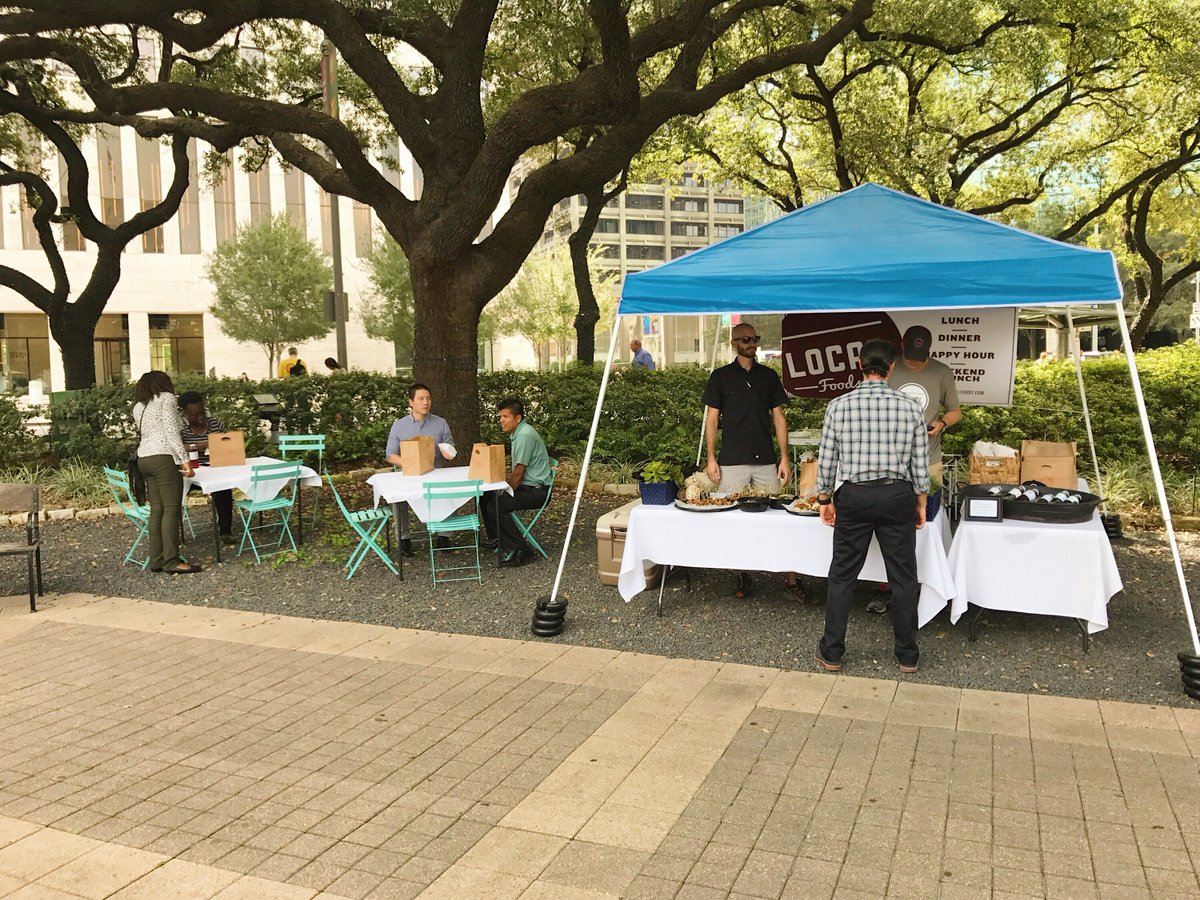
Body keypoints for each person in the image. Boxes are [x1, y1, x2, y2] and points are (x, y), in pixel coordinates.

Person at [813, 338, 929, 675]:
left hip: (854, 496)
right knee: (904, 578)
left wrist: (824, 499)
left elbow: (827, 459)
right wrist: (920, 501)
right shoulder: (910, 407)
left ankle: (832, 652)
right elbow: (919, 462)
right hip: (897, 496)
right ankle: (907, 655)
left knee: (843, 575)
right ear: (892, 366)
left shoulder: (839, 405)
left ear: (859, 366)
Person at [702, 321, 798, 600]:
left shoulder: (768, 376)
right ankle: (743, 574)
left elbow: (779, 417)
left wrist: (784, 458)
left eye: (754, 338)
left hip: (767, 459)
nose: (751, 343)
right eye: (745, 339)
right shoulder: (719, 377)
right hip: (731, 460)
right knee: (733, 521)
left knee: (782, 519)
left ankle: (791, 580)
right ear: (734, 343)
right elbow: (712, 418)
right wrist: (711, 458)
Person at [872, 324, 961, 612]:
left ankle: (925, 588)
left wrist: (942, 423)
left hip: (930, 460)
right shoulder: (890, 369)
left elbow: (955, 410)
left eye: (921, 357)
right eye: (911, 356)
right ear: (901, 348)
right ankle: (888, 587)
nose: (916, 362)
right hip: (890, 462)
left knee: (927, 524)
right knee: (891, 525)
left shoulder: (942, 372)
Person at [133, 371, 201, 574]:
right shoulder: (167, 398)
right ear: (163, 383)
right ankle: (171, 561)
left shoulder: (139, 406)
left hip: (144, 459)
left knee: (157, 510)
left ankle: (156, 560)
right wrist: (185, 459)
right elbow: (172, 431)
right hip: (163, 458)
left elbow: (154, 430)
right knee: (171, 509)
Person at [385, 383, 456, 556]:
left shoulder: (440, 423)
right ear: (411, 402)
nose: (426, 402)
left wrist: (448, 452)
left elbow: (450, 449)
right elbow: (390, 455)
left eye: (428, 398)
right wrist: (410, 463)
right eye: (421, 399)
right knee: (398, 498)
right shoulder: (399, 425)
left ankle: (443, 535)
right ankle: (404, 540)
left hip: (435, 473)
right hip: (409, 475)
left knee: (449, 490)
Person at [481, 397, 553, 568]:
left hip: (536, 491)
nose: (501, 421)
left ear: (518, 418)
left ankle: (522, 549)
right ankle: (500, 538)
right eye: (500, 417)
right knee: (486, 496)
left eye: (505, 417)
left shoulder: (524, 436)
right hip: (528, 487)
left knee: (496, 506)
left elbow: (519, 472)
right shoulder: (519, 433)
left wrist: (506, 491)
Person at [179, 390, 236, 548]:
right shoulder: (182, 429)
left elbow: (229, 441)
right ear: (186, 414)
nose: (200, 417)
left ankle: (225, 530)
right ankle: (176, 533)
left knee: (224, 490)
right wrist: (202, 445)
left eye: (202, 413)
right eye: (195, 415)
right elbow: (177, 446)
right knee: (175, 493)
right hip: (192, 473)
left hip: (215, 469)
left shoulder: (215, 423)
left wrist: (222, 442)